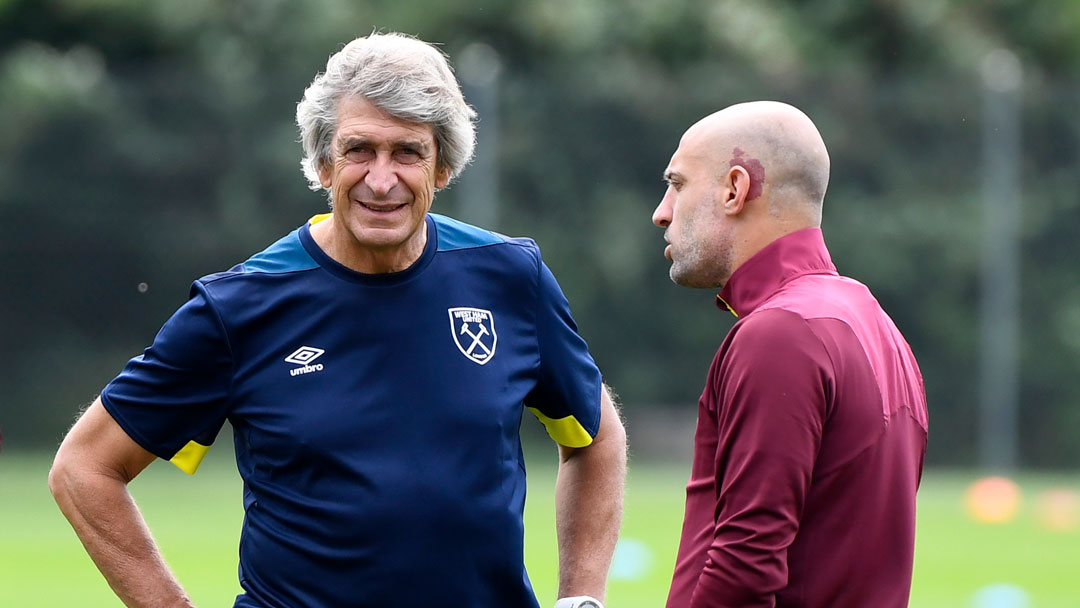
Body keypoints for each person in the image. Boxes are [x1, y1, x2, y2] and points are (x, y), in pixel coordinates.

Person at [49, 32, 626, 608]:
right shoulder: (241, 306)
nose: (381, 179)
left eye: (407, 152)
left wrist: (582, 598)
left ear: (443, 167)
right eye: (358, 150)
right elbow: (85, 469)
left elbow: (595, 437)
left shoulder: (509, 276)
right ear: (323, 163)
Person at [652, 101, 929, 607]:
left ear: (735, 189)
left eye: (678, 184)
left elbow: (745, 567)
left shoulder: (781, 332)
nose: (661, 212)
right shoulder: (876, 324)